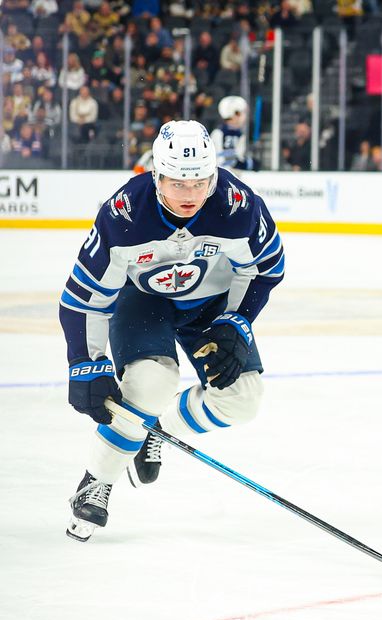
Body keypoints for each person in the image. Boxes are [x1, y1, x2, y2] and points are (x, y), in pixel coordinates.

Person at [60, 120, 285, 541]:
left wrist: (237, 321)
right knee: (149, 384)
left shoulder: (237, 205)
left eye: (200, 182)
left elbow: (266, 269)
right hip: (144, 301)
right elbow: (83, 298)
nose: (191, 195)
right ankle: (96, 482)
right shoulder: (123, 215)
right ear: (156, 175)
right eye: (178, 184)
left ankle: (156, 429)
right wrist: (84, 363)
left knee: (242, 399)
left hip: (210, 306)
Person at [213, 95, 255, 171]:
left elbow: (238, 157)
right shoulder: (219, 133)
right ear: (236, 114)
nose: (245, 117)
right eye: (243, 113)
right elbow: (221, 159)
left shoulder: (240, 134)